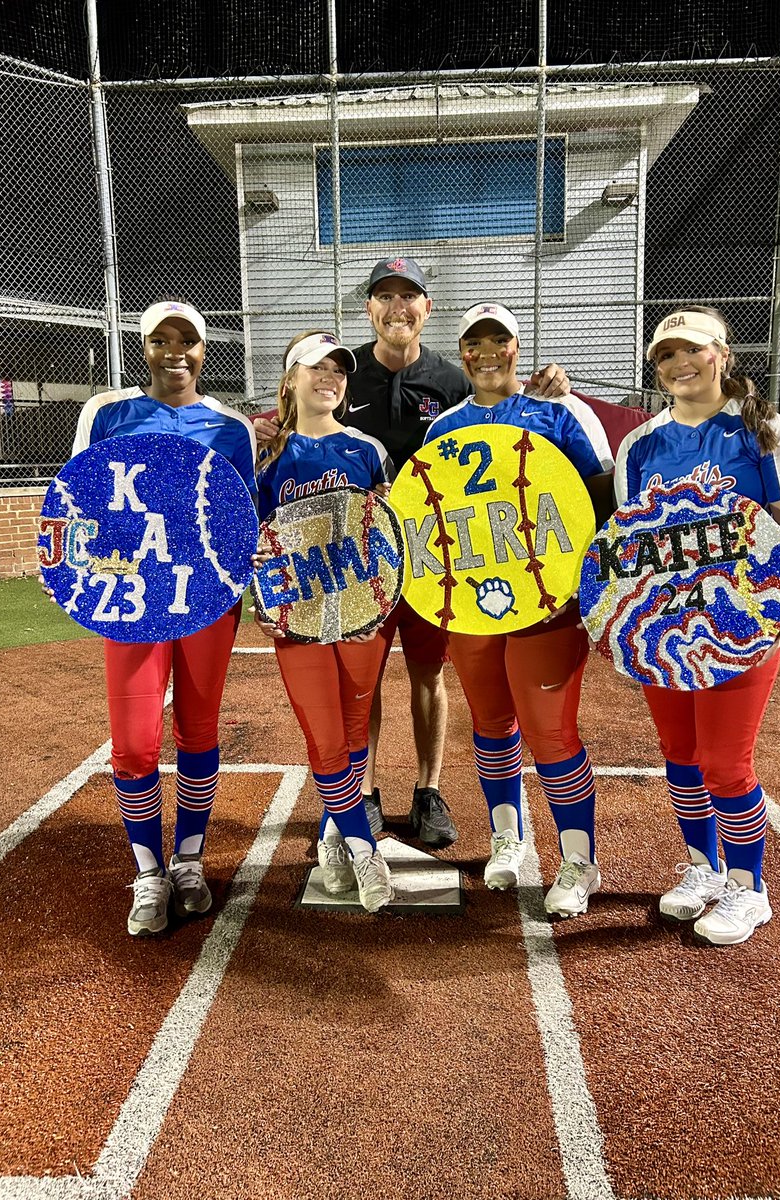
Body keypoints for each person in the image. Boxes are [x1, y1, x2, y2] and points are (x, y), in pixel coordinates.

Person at [253, 255, 571, 851]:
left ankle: (428, 790)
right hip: (356, 563)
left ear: (427, 308)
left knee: (428, 674)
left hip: (432, 560)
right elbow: (302, 425)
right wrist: (263, 428)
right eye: (384, 297)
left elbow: (501, 416)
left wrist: (543, 387)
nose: (397, 308)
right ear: (369, 308)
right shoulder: (344, 374)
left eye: (410, 297)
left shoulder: (454, 382)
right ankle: (364, 791)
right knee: (361, 682)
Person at [615, 305, 780, 946]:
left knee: (726, 762)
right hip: (667, 625)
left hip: (738, 621)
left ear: (722, 354)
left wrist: (778, 606)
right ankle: (704, 868)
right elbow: (630, 543)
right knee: (681, 757)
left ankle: (750, 889)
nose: (679, 363)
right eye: (667, 354)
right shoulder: (640, 445)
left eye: (692, 351)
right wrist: (626, 623)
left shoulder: (767, 432)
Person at [66, 299, 258, 936]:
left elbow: (241, 520)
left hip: (205, 601)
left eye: (188, 340)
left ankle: (190, 860)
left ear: (205, 350)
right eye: (161, 340)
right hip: (132, 599)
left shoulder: (232, 427)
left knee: (199, 730)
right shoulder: (107, 410)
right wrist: (86, 584)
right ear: (143, 347)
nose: (175, 351)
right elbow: (76, 501)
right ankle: (148, 871)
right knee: (136, 739)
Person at [422, 302, 614, 915]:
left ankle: (578, 861)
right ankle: (510, 836)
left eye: (497, 340)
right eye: (472, 343)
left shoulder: (562, 411)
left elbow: (603, 499)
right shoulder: (443, 425)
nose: (484, 353)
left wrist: (586, 585)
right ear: (462, 352)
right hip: (471, 601)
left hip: (546, 601)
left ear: (516, 347)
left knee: (551, 730)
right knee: (490, 720)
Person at [254, 330, 395, 913]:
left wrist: (381, 605)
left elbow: (390, 534)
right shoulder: (265, 453)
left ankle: (336, 834)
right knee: (324, 732)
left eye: (339, 370)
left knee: (355, 726)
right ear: (290, 379)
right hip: (299, 615)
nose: (330, 378)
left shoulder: (367, 449)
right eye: (316, 368)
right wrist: (261, 598)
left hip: (363, 617)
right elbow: (250, 540)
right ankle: (365, 849)